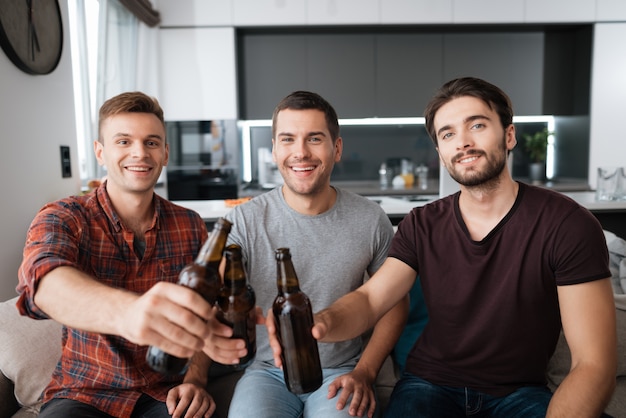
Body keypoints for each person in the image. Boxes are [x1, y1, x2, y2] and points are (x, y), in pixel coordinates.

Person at [268, 78, 618, 417]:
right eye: (448, 134)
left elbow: (594, 364)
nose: (462, 142)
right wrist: (323, 322)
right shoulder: (421, 224)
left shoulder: (567, 224)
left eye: (477, 125)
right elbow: (371, 300)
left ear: (509, 135)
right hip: (429, 386)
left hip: (519, 392)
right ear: (440, 152)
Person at [16, 91, 224, 418]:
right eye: (124, 142)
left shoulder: (190, 224)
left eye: (152, 142)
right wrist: (130, 313)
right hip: (83, 392)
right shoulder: (64, 216)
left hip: (165, 393)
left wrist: (196, 380)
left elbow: (206, 310)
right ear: (101, 151)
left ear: (165, 153)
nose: (139, 153)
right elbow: (45, 283)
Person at [217, 90, 408, 418]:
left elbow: (393, 303)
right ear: (275, 149)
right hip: (267, 372)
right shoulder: (243, 221)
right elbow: (217, 290)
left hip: (341, 369)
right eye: (288, 139)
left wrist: (365, 371)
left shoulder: (370, 218)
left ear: (337, 149)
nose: (300, 153)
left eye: (314, 139)